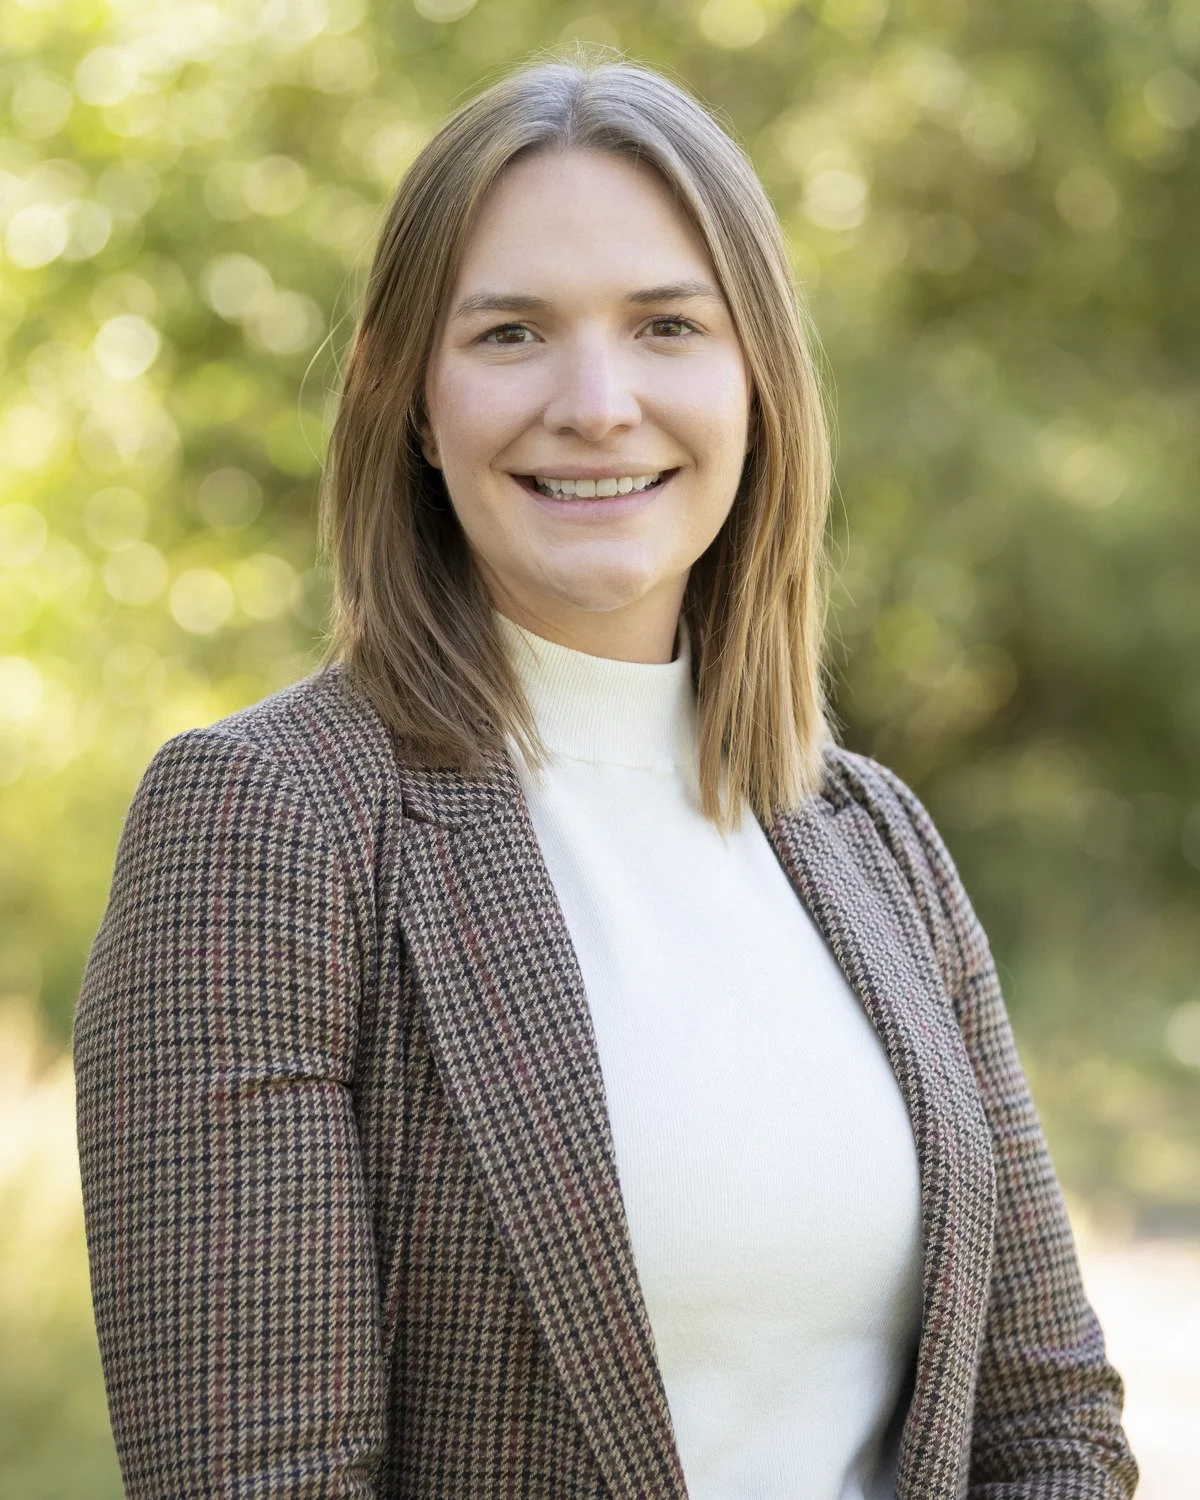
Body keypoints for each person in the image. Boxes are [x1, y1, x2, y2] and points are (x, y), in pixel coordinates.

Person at [73, 48, 1138, 1500]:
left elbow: (1052, 1423)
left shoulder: (871, 837)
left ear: (755, 382)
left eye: (666, 327)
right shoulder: (270, 826)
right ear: (409, 401)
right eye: (510, 334)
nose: (596, 401)